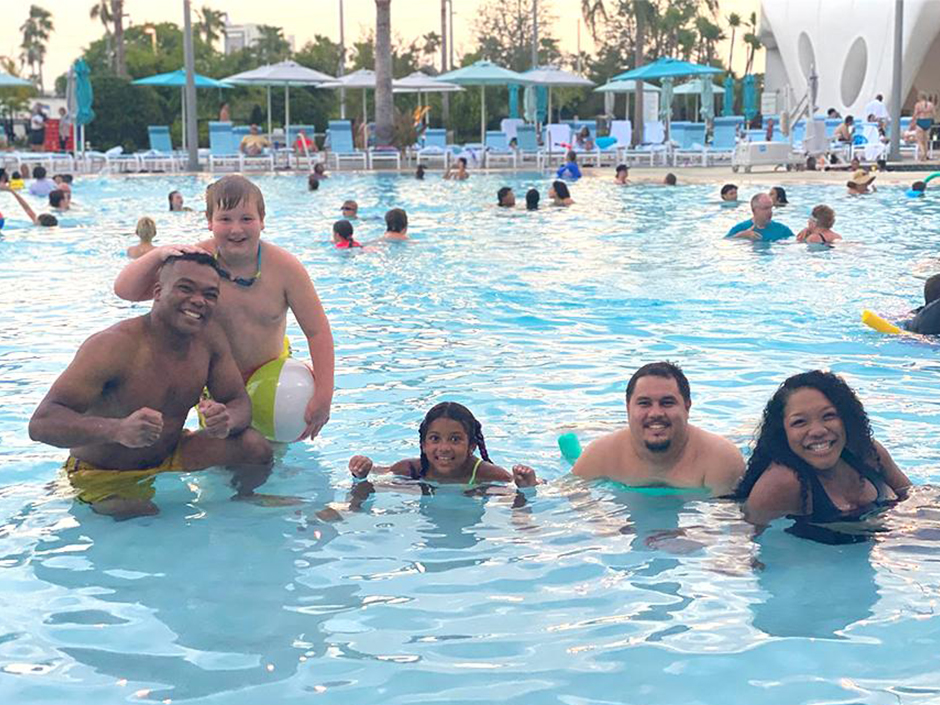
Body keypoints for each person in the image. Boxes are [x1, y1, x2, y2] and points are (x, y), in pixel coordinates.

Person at [29, 252, 274, 519]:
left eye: (210, 294)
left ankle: (242, 504)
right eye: (185, 288)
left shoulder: (209, 340)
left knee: (254, 447)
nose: (198, 301)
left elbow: (238, 402)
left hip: (170, 454)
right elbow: (41, 424)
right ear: (158, 292)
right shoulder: (113, 346)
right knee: (142, 517)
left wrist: (228, 421)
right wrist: (117, 429)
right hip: (103, 471)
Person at [114, 175, 335, 440]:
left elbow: (318, 332)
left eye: (246, 219)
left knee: (274, 461)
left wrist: (323, 395)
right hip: (217, 390)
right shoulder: (196, 265)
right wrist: (162, 254)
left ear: (262, 220)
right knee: (225, 464)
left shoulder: (285, 269)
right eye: (225, 219)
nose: (236, 229)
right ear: (210, 222)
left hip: (272, 382)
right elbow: (126, 291)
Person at [733, 370, 910, 526]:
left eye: (829, 416)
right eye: (799, 422)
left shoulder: (869, 454)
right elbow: (746, 540)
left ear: (846, 419)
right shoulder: (782, 483)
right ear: (783, 433)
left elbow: (915, 498)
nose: (818, 431)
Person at [572, 362, 744, 496]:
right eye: (644, 403)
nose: (655, 413)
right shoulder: (601, 454)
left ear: (687, 406)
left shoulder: (721, 459)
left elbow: (728, 522)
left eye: (667, 403)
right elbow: (574, 495)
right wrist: (604, 526)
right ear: (628, 408)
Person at [348, 401, 538, 487]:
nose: (444, 448)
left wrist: (527, 486)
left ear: (471, 446)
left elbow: (518, 496)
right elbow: (377, 473)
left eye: (455, 439)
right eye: (435, 438)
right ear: (423, 444)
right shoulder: (410, 470)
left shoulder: (485, 474)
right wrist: (361, 473)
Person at [726, 193, 794, 241]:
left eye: (770, 208)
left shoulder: (782, 230)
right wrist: (741, 235)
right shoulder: (740, 229)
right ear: (754, 210)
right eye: (765, 208)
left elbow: (795, 242)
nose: (770, 212)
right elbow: (725, 242)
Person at [912, 91, 935, 162]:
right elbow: (934, 114)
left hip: (920, 122)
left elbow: (915, 114)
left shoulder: (918, 105)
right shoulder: (931, 105)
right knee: (925, 141)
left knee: (919, 140)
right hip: (928, 121)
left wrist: (912, 122)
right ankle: (925, 156)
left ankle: (922, 153)